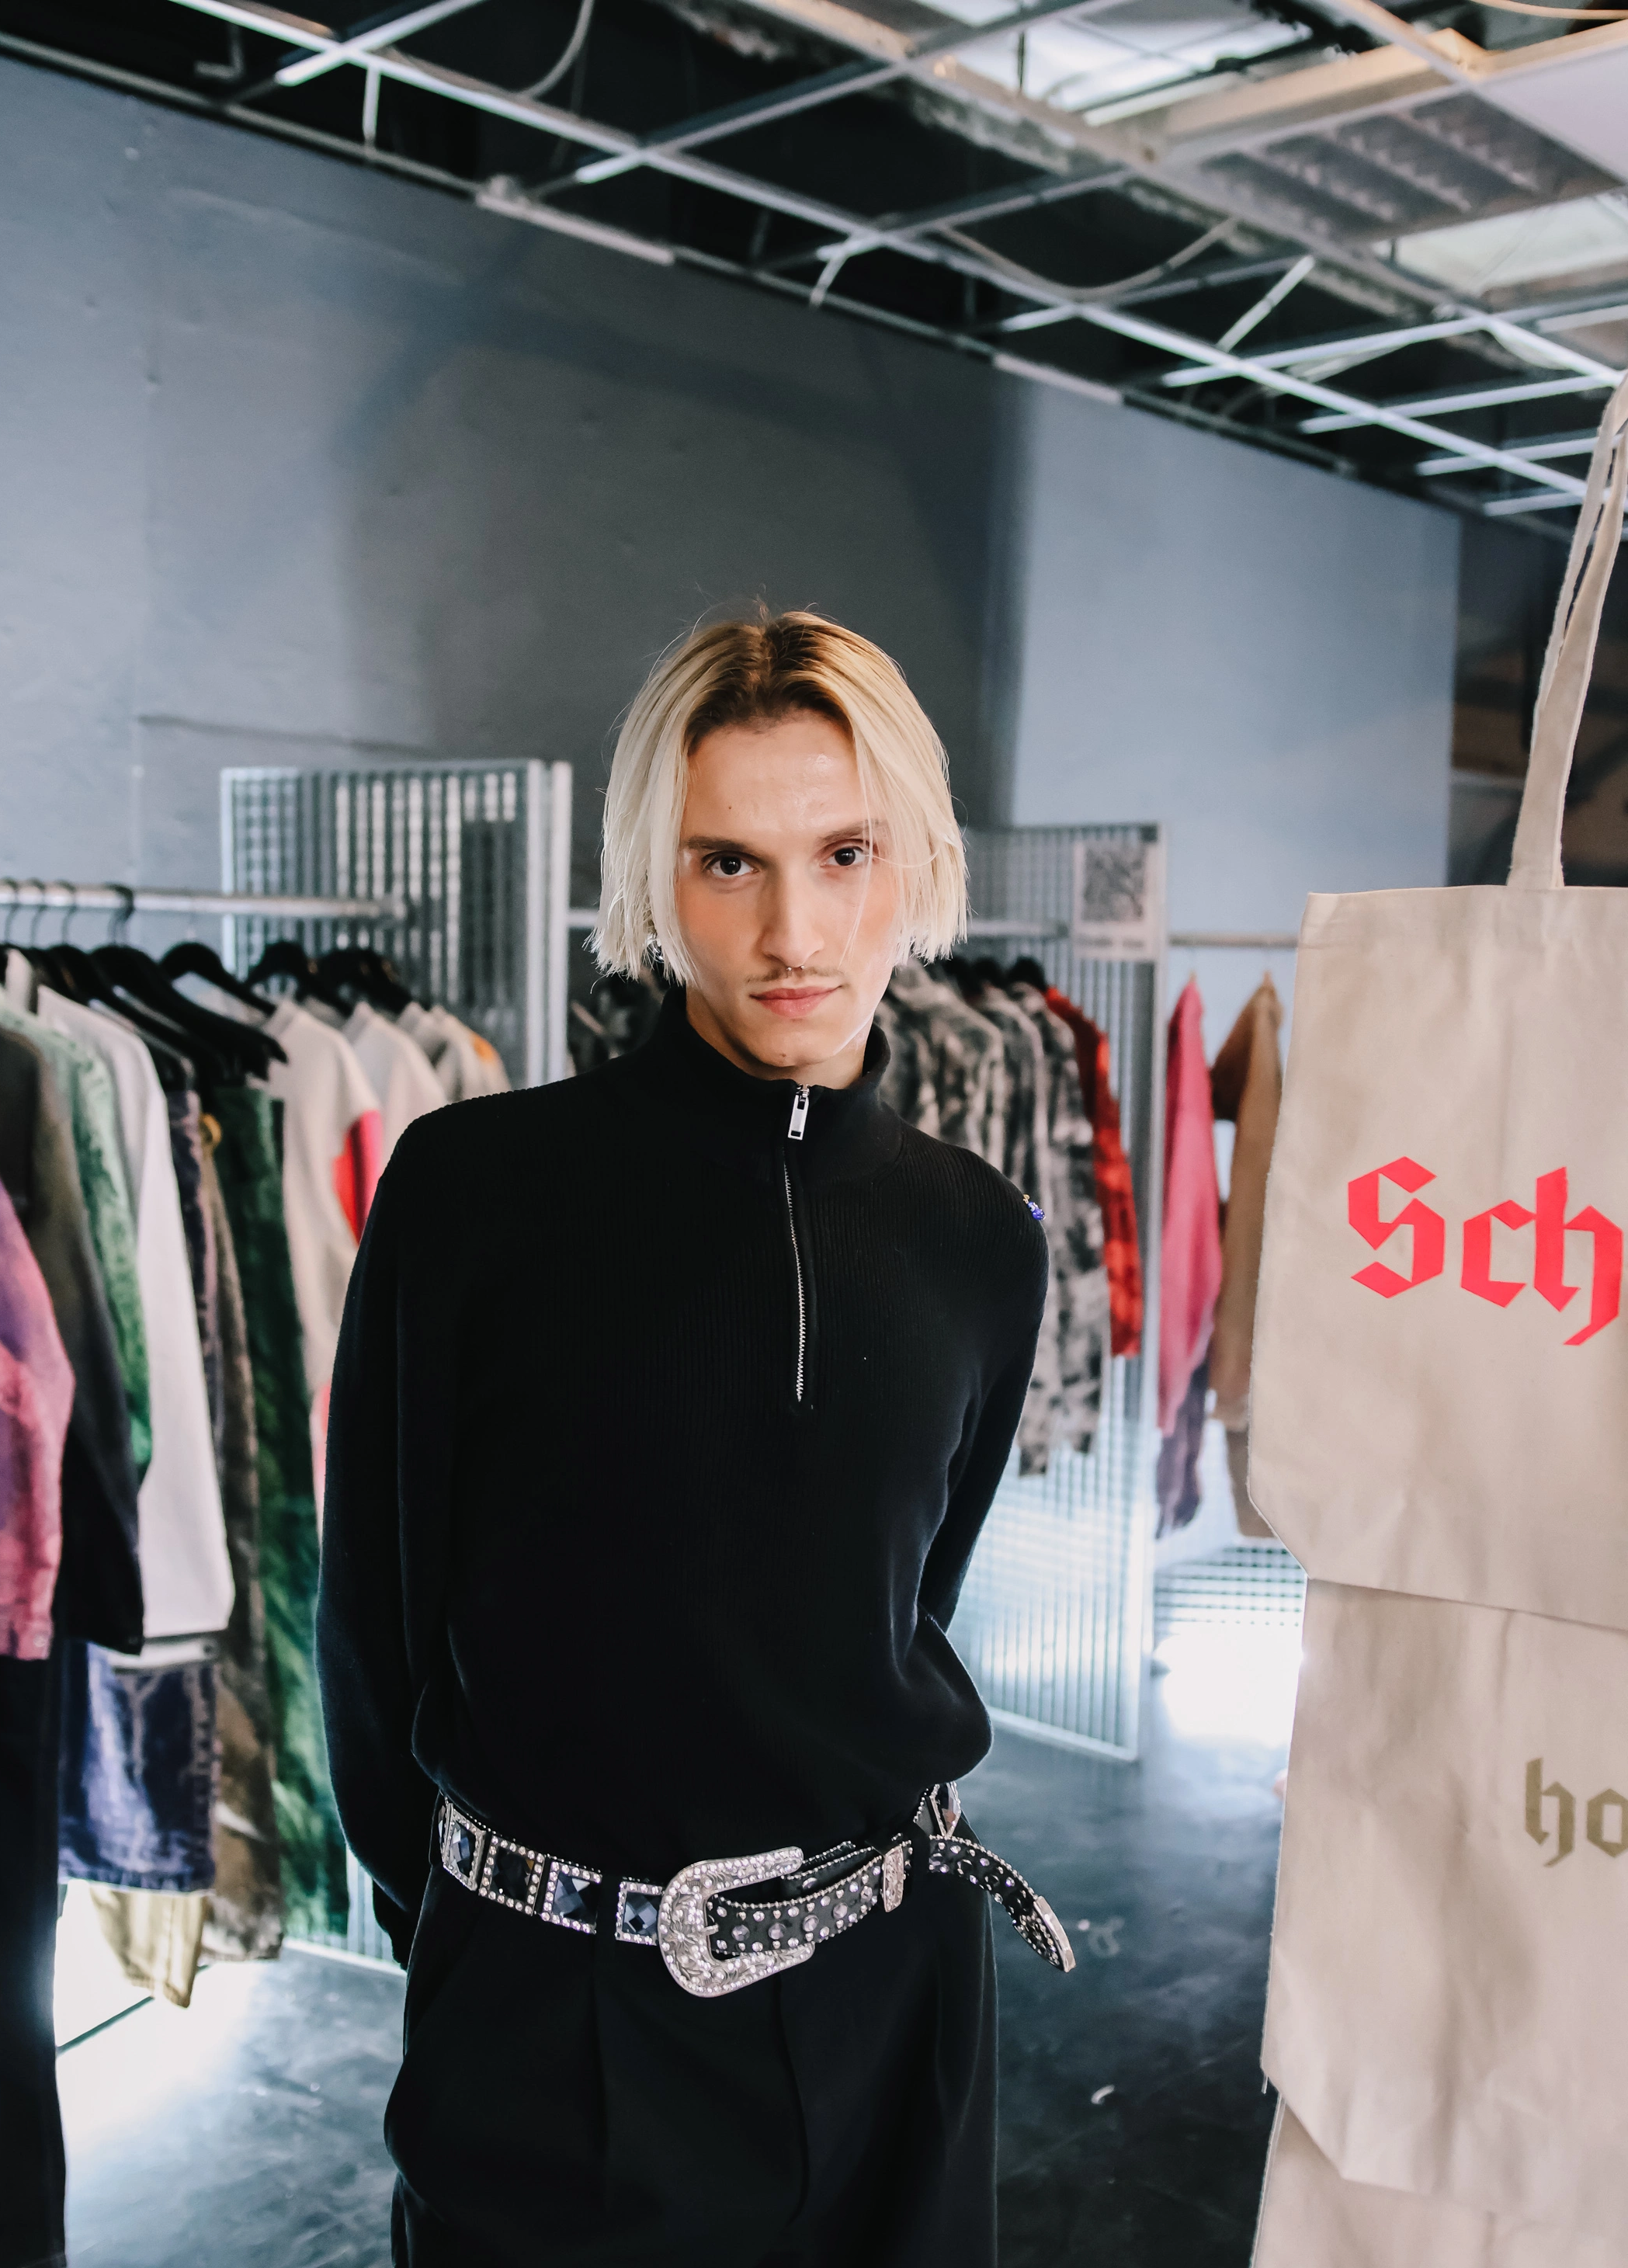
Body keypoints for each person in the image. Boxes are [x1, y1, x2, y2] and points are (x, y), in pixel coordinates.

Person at [318, 611, 1060, 2268]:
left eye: (845, 853)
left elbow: (906, 1597)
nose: (794, 931)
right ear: (655, 881)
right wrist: (477, 1952)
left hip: (896, 2008)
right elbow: (371, 1626)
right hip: (560, 2020)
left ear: (919, 858)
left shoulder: (979, 1236)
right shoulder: (474, 1193)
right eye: (729, 863)